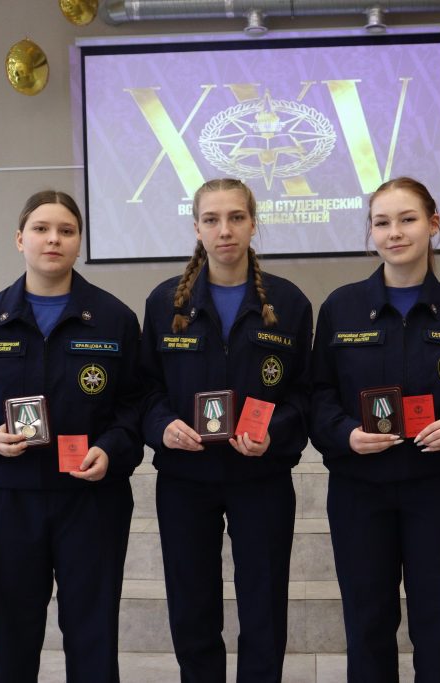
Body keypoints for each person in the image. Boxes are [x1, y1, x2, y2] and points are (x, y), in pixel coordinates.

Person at [0, 190, 143, 683]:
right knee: (11, 635)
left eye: (66, 231)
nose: (54, 239)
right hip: (7, 499)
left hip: (92, 500)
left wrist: (111, 449)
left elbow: (137, 405)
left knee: (93, 635)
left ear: (79, 243)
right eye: (41, 229)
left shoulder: (115, 319)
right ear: (19, 239)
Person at [309, 177, 440, 682]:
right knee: (367, 620)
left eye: (408, 219)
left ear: (433, 224)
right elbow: (318, 394)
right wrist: (345, 433)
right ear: (370, 232)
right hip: (359, 490)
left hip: (439, 490)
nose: (395, 233)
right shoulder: (341, 308)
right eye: (382, 222)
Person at [138, 178, 313, 682]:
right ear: (196, 228)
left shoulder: (289, 302)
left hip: (262, 477)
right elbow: (144, 390)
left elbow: (306, 394)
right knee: (192, 607)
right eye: (212, 220)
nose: (225, 230)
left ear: (253, 224)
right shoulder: (165, 302)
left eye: (236, 217)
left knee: (264, 606)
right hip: (185, 479)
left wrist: (274, 433)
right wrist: (163, 426)